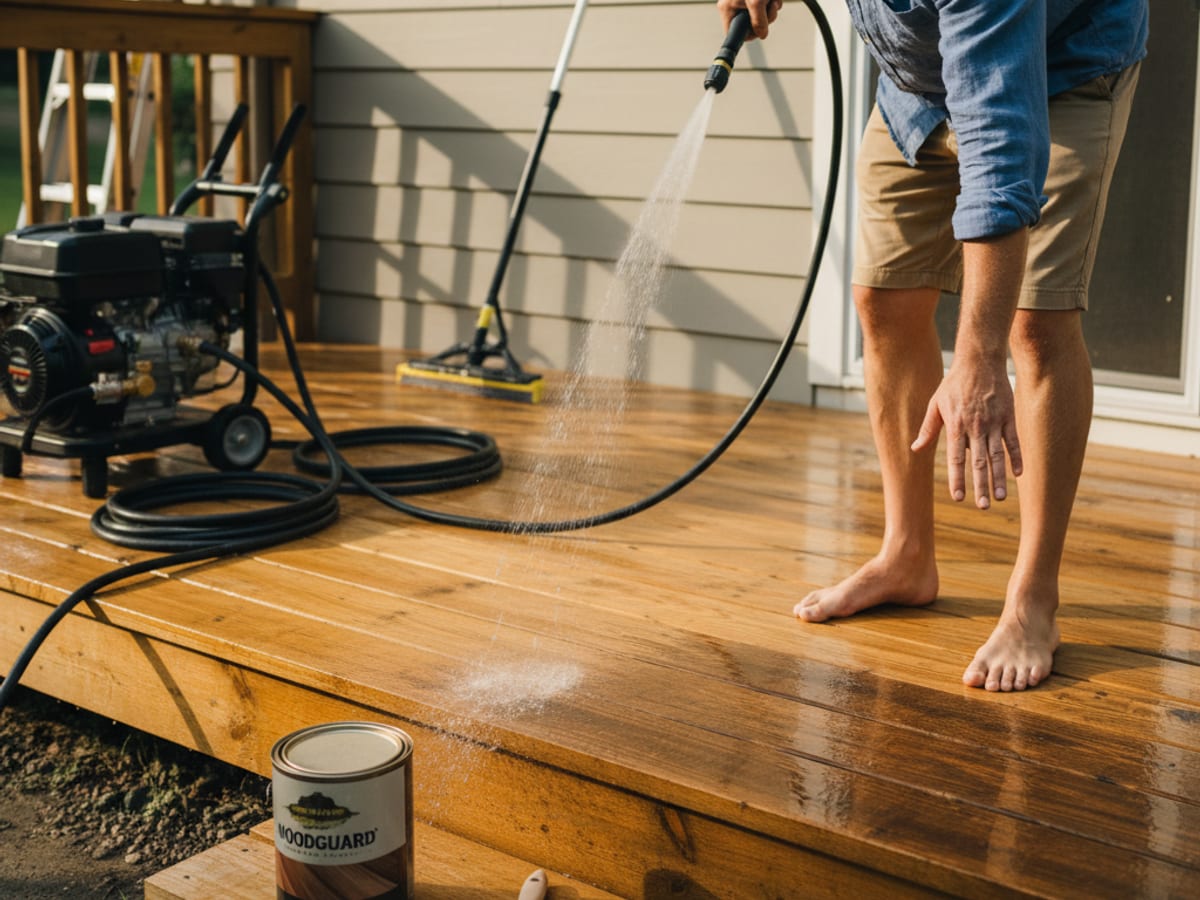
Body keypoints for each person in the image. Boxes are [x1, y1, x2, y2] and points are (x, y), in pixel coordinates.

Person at [716, 0, 1149, 691]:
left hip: (1061, 68)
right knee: (883, 297)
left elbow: (1002, 152)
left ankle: (1034, 597)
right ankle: (907, 554)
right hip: (917, 84)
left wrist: (978, 355)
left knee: (1036, 321)